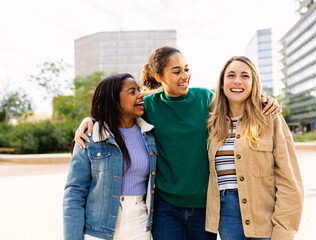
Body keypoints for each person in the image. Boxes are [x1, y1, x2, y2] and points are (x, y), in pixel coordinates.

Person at [74, 47, 282, 240]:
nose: (185, 76)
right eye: (176, 71)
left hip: (204, 206)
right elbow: (118, 111)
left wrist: (264, 99)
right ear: (159, 77)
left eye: (186, 69)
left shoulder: (206, 98)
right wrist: (91, 121)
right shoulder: (148, 105)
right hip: (166, 208)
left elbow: (238, 98)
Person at [205, 56, 304, 240]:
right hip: (226, 218)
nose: (237, 81)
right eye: (231, 75)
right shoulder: (212, 124)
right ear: (221, 83)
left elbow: (290, 181)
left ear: (253, 83)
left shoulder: (270, 118)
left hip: (265, 219)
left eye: (245, 76)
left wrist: (283, 230)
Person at [63, 73, 157, 240]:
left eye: (139, 90)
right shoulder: (90, 137)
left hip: (139, 223)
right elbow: (74, 193)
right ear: (114, 101)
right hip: (99, 227)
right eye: (132, 91)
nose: (140, 94)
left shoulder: (148, 134)